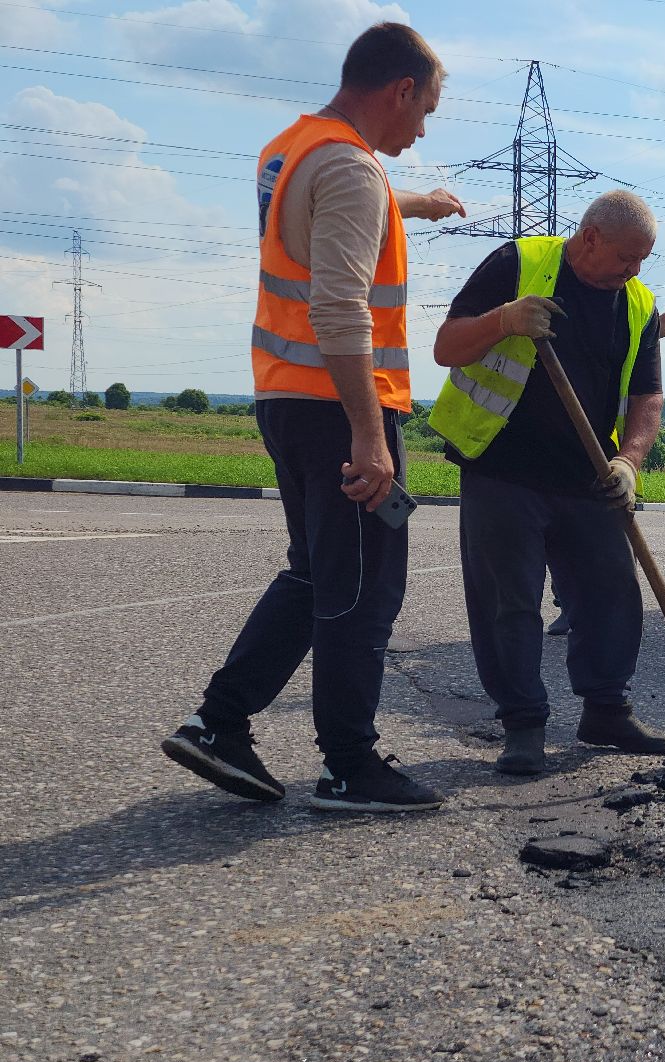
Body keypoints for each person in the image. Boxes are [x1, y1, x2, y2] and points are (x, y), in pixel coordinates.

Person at [160, 22, 463, 812]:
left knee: (314, 575)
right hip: (340, 408)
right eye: (426, 110)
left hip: (285, 399)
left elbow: (340, 205)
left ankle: (218, 724)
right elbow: (339, 307)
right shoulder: (352, 169)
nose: (423, 129)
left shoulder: (292, 148)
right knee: (363, 590)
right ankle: (348, 768)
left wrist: (419, 204)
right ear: (400, 90)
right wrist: (369, 435)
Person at [429, 191, 665, 776]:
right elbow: (446, 347)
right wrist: (505, 320)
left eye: (643, 260)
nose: (634, 270)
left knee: (612, 593)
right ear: (589, 237)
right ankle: (523, 725)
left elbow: (647, 396)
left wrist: (629, 462)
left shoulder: (636, 303)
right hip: (502, 469)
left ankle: (606, 710)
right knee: (509, 603)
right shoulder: (518, 263)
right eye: (627, 257)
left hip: (590, 475)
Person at [542, 280, 665, 638]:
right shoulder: (564, 324)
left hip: (612, 455)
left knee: (605, 542)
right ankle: (567, 604)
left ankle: (598, 614)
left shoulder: (629, 323)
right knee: (560, 533)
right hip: (565, 445)